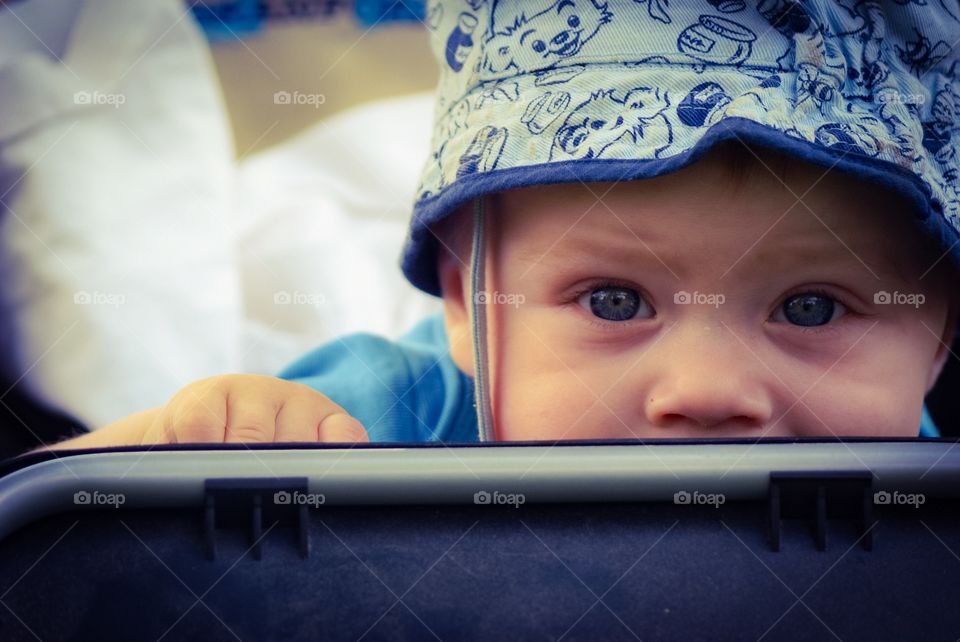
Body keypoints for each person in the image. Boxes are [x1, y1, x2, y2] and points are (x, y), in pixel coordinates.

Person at [46, 0, 960, 449]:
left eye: (810, 309)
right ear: (465, 303)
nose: (709, 392)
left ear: (940, 336)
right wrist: (177, 449)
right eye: (613, 298)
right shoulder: (383, 418)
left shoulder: (927, 511)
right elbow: (43, 527)